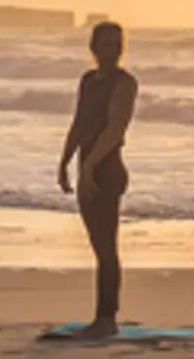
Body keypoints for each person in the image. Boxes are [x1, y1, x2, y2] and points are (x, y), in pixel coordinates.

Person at [55, 20, 138, 337]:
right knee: (96, 244)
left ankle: (107, 317)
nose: (113, 51)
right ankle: (103, 315)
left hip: (108, 168)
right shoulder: (88, 80)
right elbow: (79, 123)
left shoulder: (124, 83)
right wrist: (64, 162)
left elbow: (115, 128)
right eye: (106, 44)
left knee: (106, 245)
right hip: (86, 165)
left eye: (118, 44)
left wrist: (89, 168)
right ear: (93, 48)